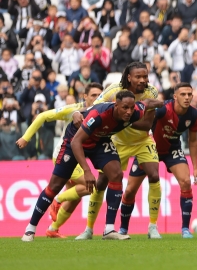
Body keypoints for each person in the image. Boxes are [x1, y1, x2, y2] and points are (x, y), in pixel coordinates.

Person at [20, 90, 162, 242]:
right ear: (116, 105)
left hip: (100, 141)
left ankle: (108, 230)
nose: (128, 112)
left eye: (131, 108)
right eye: (125, 108)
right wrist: (87, 171)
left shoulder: (136, 111)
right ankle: (30, 229)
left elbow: (146, 103)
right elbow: (76, 142)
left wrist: (162, 103)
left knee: (116, 175)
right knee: (54, 186)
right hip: (75, 142)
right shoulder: (99, 115)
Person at [55, 62, 161, 240]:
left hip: (142, 140)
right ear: (129, 77)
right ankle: (89, 229)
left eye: (145, 76)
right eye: (138, 77)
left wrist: (120, 118)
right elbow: (94, 109)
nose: (143, 80)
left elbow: (147, 125)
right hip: (117, 140)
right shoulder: (114, 90)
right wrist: (77, 113)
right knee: (102, 181)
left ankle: (152, 227)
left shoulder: (152, 92)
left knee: (155, 175)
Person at [15, 83, 104, 238]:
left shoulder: (103, 111)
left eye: (99, 95)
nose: (97, 99)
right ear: (85, 96)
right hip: (65, 155)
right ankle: (57, 199)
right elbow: (43, 116)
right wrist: (25, 137)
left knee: (75, 197)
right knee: (92, 186)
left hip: (81, 156)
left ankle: (53, 229)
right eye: (93, 95)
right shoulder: (74, 110)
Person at [120, 83, 197, 239]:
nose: (187, 97)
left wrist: (196, 167)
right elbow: (145, 121)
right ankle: (123, 229)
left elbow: (193, 141)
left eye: (189, 94)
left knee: (185, 181)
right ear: (175, 96)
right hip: (150, 149)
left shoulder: (194, 114)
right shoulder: (163, 110)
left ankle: (185, 229)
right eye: (183, 94)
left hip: (172, 150)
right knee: (130, 190)